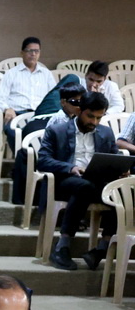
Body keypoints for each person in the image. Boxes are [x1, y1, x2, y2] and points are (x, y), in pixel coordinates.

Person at [38, 91, 118, 271]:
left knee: (119, 192)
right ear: (79, 111)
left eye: (99, 118)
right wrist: (70, 167)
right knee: (84, 186)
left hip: (96, 183)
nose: (94, 122)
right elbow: (43, 160)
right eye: (90, 116)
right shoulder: (57, 130)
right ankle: (62, 246)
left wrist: (120, 168)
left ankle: (101, 249)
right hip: (65, 181)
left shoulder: (105, 132)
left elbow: (115, 156)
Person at [10, 78, 83, 206]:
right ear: (63, 102)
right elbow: (60, 149)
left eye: (81, 102)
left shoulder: (75, 118)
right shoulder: (60, 120)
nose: (79, 106)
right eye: (74, 102)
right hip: (54, 159)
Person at [0, 38, 53, 151]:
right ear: (22, 53)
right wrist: (7, 109)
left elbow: (53, 98)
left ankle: (32, 159)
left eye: (36, 51)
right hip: (17, 114)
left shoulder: (47, 74)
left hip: (39, 116)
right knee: (13, 131)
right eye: (30, 51)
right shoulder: (11, 73)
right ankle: (24, 159)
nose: (33, 54)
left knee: (53, 133)